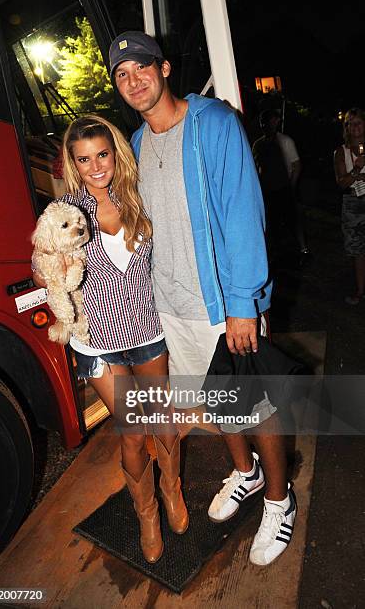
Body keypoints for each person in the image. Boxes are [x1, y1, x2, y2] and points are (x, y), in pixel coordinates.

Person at [109, 30, 296, 566]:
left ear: (164, 69)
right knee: (217, 402)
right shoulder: (136, 144)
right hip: (169, 307)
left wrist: (244, 303)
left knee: (256, 405)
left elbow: (242, 213)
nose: (133, 80)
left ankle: (280, 501)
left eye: (141, 68)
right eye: (122, 75)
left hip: (223, 304)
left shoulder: (212, 123)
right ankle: (245, 473)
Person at [32, 114, 188, 564]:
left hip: (148, 332)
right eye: (84, 160)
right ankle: (147, 514)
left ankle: (171, 490)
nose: (96, 166)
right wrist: (48, 271)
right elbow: (42, 261)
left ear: (114, 152)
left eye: (102, 154)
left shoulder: (138, 196)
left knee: (162, 422)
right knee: (134, 431)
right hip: (98, 341)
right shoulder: (67, 214)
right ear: (73, 164)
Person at [252, 108, 310, 266]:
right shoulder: (258, 144)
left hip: (285, 188)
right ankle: (276, 253)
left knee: (293, 221)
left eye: (270, 120)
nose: (266, 124)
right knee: (273, 224)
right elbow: (257, 168)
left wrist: (291, 186)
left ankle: (302, 250)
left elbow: (296, 165)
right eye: (264, 121)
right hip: (268, 190)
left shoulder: (285, 141)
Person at [333, 107, 365, 305]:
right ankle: (360, 292)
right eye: (350, 123)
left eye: (358, 122)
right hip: (353, 204)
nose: (355, 127)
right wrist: (356, 170)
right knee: (358, 252)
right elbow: (341, 183)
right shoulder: (340, 151)